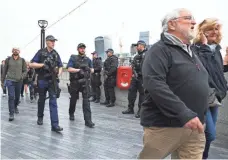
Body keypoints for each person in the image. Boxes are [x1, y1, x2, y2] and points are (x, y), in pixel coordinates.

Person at [138, 8, 209, 159]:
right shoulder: (159, 50)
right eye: (188, 18)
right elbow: (155, 84)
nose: (194, 22)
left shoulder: (191, 51)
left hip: (195, 127)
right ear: (172, 24)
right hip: (165, 126)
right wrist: (184, 113)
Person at [193, 18, 228, 159]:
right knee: (210, 133)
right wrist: (205, 45)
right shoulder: (196, 48)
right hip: (202, 96)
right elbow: (202, 68)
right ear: (202, 32)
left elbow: (216, 71)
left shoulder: (216, 50)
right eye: (210, 29)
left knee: (209, 135)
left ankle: (201, 157)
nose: (214, 32)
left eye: (216, 29)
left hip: (215, 96)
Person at [29, 35, 63, 132]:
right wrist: (43, 65)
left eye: (54, 41)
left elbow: (60, 66)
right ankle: (40, 117)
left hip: (52, 80)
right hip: (42, 79)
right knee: (42, 100)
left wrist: (59, 74)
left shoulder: (56, 54)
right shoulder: (41, 52)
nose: (53, 43)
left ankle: (55, 125)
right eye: (52, 41)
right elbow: (31, 64)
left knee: (53, 101)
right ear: (47, 42)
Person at [67, 43, 95, 128]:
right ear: (78, 49)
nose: (82, 49)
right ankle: (71, 113)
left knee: (86, 101)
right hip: (75, 82)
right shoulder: (73, 57)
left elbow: (92, 70)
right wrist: (79, 70)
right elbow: (69, 68)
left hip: (84, 82)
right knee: (73, 99)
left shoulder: (88, 59)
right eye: (81, 48)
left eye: (83, 48)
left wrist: (88, 69)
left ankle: (88, 121)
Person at [1, 48, 27, 121]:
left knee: (17, 97)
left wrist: (22, 77)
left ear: (19, 51)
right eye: (14, 50)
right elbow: (4, 70)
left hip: (19, 81)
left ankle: (15, 106)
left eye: (17, 50)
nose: (15, 51)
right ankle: (11, 113)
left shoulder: (22, 60)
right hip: (10, 80)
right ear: (12, 51)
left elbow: (25, 70)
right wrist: (2, 80)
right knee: (11, 97)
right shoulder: (8, 60)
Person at [122, 40, 146, 118]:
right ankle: (130, 108)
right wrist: (133, 73)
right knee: (131, 92)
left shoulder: (147, 55)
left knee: (142, 95)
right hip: (135, 77)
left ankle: (141, 111)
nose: (136, 47)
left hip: (143, 78)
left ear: (142, 45)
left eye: (138, 45)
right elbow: (133, 66)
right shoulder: (136, 56)